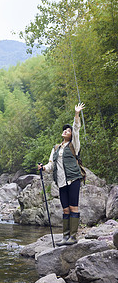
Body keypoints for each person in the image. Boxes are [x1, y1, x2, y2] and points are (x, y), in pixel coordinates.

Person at [38, 102, 85, 246]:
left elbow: (76, 128)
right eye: (64, 130)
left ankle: (73, 236)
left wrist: (76, 114)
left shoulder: (74, 145)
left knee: (73, 207)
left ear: (71, 135)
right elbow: (51, 164)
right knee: (65, 209)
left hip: (73, 179)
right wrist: (43, 168)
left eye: (67, 130)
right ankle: (65, 237)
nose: (65, 131)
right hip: (61, 181)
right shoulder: (56, 148)